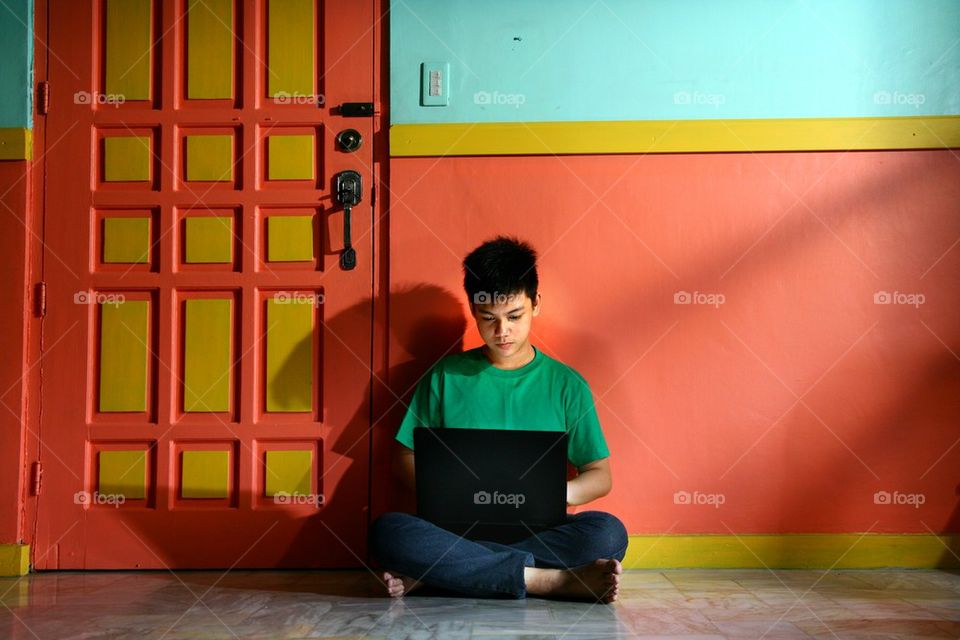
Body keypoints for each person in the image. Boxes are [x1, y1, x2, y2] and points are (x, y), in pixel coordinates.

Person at [369, 236, 628, 602]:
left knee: (608, 533)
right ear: (474, 311)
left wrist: (548, 495)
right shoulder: (445, 376)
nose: (501, 331)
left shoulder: (567, 385)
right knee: (389, 531)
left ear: (535, 304)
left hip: (539, 529)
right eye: (488, 319)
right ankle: (546, 580)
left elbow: (600, 475)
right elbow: (403, 458)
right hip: (457, 530)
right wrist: (451, 492)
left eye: (514, 317)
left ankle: (444, 574)